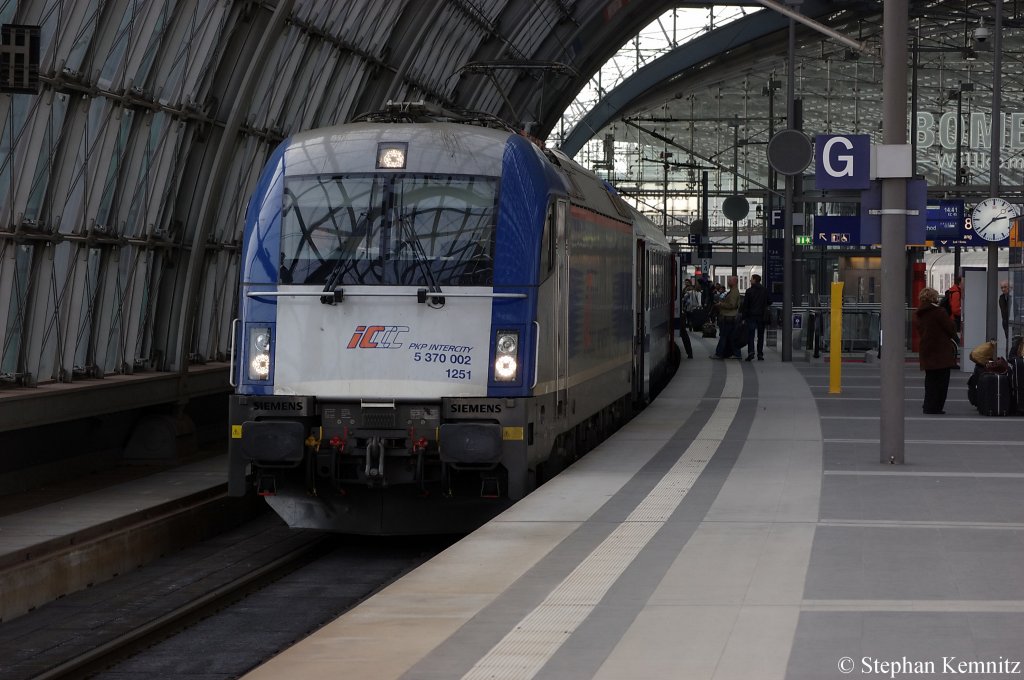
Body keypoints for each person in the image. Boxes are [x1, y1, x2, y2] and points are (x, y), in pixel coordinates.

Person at [914, 287, 959, 415]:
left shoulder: (919, 313)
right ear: (934, 298)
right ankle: (936, 407)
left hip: (927, 350)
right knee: (942, 381)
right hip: (941, 351)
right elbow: (951, 329)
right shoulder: (939, 312)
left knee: (930, 381)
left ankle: (928, 405)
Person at [711, 276, 742, 360]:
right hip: (729, 317)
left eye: (730, 281)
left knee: (724, 336)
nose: (728, 282)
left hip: (729, 317)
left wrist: (721, 304)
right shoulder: (733, 291)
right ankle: (736, 353)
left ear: (734, 282)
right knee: (731, 337)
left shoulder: (734, 292)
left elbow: (732, 305)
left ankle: (719, 353)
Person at [740, 274, 770, 361]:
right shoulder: (764, 290)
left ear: (754, 280)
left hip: (751, 316)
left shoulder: (749, 291)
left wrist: (743, 317)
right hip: (761, 316)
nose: (750, 281)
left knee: (751, 335)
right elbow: (770, 301)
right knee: (760, 336)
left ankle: (751, 353)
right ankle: (760, 354)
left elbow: (745, 305)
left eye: (751, 279)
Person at [999, 280, 1011, 354]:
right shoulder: (1002, 297)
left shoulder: (1011, 296)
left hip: (1010, 322)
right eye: (1002, 288)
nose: (1003, 289)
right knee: (1008, 341)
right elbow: (1004, 312)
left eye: (1005, 287)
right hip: (1006, 323)